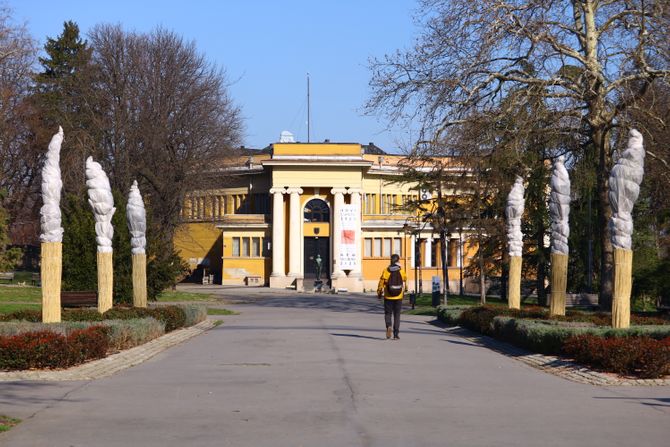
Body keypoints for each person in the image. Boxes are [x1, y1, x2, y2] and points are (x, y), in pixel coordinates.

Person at [377, 254, 407, 340]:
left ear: (391, 260)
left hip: (388, 296)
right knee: (397, 315)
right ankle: (396, 334)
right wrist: (405, 289)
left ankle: (388, 326)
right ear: (398, 261)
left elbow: (381, 283)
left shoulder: (386, 270)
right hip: (398, 296)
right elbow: (405, 280)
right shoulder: (401, 271)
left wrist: (379, 292)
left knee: (388, 313)